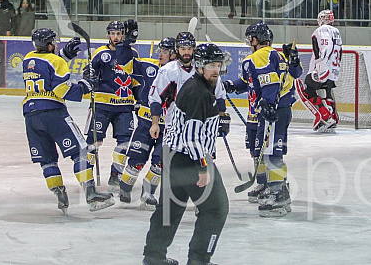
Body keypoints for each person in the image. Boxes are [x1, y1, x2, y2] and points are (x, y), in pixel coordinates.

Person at [142, 43, 229, 265]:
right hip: (191, 160)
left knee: (169, 209)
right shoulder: (199, 92)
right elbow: (192, 137)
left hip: (172, 157)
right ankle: (199, 260)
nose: (216, 69)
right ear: (199, 66)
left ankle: (153, 257)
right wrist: (202, 166)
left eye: (218, 65)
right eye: (211, 65)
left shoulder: (198, 85)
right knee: (216, 209)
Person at [22, 28, 114, 212]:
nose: (56, 45)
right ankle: (91, 195)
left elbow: (46, 67)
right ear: (49, 44)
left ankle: (60, 194)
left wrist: (64, 54)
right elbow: (61, 90)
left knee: (47, 159)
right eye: (54, 42)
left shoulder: (28, 59)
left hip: (31, 115)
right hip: (53, 113)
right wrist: (85, 86)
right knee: (80, 152)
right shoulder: (56, 61)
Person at [223, 22, 302, 216]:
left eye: (250, 39)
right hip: (279, 108)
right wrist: (231, 86)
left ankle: (278, 193)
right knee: (266, 150)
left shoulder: (258, 56)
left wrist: (267, 103)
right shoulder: (277, 55)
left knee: (272, 151)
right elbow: (294, 73)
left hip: (272, 109)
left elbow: (269, 80)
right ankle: (276, 187)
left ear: (255, 40)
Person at [119, 37, 176, 208]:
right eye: (160, 50)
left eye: (165, 52)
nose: (161, 54)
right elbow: (123, 63)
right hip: (145, 124)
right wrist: (125, 43)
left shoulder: (180, 73)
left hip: (169, 127)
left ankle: (148, 192)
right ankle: (125, 187)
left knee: (160, 162)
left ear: (174, 55)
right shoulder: (148, 66)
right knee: (136, 161)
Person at [85, 20, 141, 191]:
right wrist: (90, 78)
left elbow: (137, 79)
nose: (116, 37)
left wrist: (139, 100)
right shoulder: (101, 53)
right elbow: (88, 73)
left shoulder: (133, 53)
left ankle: (115, 175)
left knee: (124, 143)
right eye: (113, 33)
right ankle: (87, 176)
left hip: (124, 106)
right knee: (94, 142)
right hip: (102, 105)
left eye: (119, 34)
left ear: (124, 35)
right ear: (108, 34)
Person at [296, 10, 343, 132]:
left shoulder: (323, 30)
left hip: (323, 67)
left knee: (307, 91)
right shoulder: (336, 32)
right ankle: (332, 116)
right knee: (325, 91)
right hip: (334, 69)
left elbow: (326, 46)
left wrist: (321, 65)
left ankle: (325, 117)